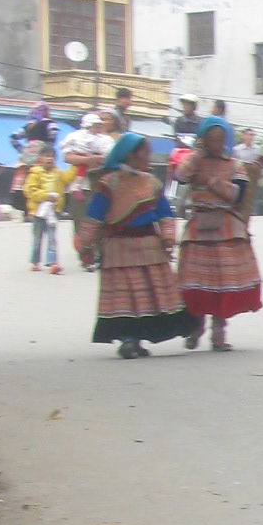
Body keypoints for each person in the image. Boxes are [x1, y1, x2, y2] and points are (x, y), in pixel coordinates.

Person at [73, 134, 197, 359]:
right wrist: (85, 245)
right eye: (145, 153)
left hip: (149, 247)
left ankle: (136, 339)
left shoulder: (151, 183)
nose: (148, 157)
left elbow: (164, 214)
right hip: (119, 249)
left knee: (146, 296)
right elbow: (94, 217)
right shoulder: (108, 184)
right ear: (131, 155)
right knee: (127, 297)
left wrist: (169, 237)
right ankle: (129, 340)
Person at [176, 115, 263, 352]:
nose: (215, 144)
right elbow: (180, 176)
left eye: (219, 139)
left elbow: (237, 194)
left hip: (225, 227)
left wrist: (210, 181)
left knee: (223, 283)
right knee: (197, 282)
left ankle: (219, 332)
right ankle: (196, 327)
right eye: (210, 139)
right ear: (203, 140)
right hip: (198, 227)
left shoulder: (234, 165)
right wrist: (196, 157)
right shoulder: (195, 161)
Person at [23, 152, 70, 273]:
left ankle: (52, 263)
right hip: (37, 211)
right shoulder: (34, 174)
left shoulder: (58, 173)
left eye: (52, 156)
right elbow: (30, 191)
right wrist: (46, 196)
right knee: (37, 238)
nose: (49, 158)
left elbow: (68, 178)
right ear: (40, 159)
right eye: (46, 156)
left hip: (53, 211)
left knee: (52, 237)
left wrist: (77, 165)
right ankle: (35, 262)